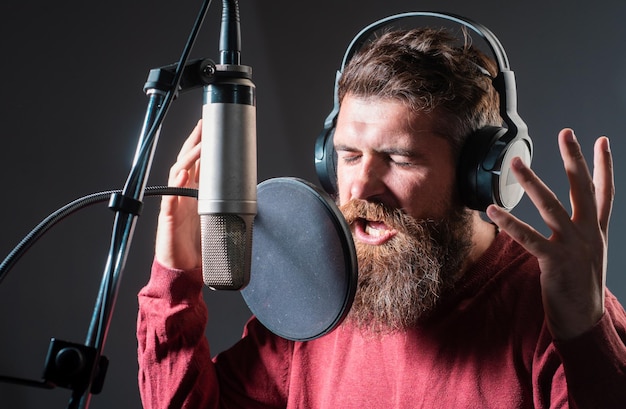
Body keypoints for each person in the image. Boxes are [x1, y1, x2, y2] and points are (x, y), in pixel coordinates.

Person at [136, 23, 626, 408]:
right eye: (349, 156)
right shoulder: (324, 293)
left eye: (400, 158)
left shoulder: (559, 311)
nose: (362, 186)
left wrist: (585, 335)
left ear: (479, 174)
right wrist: (174, 278)